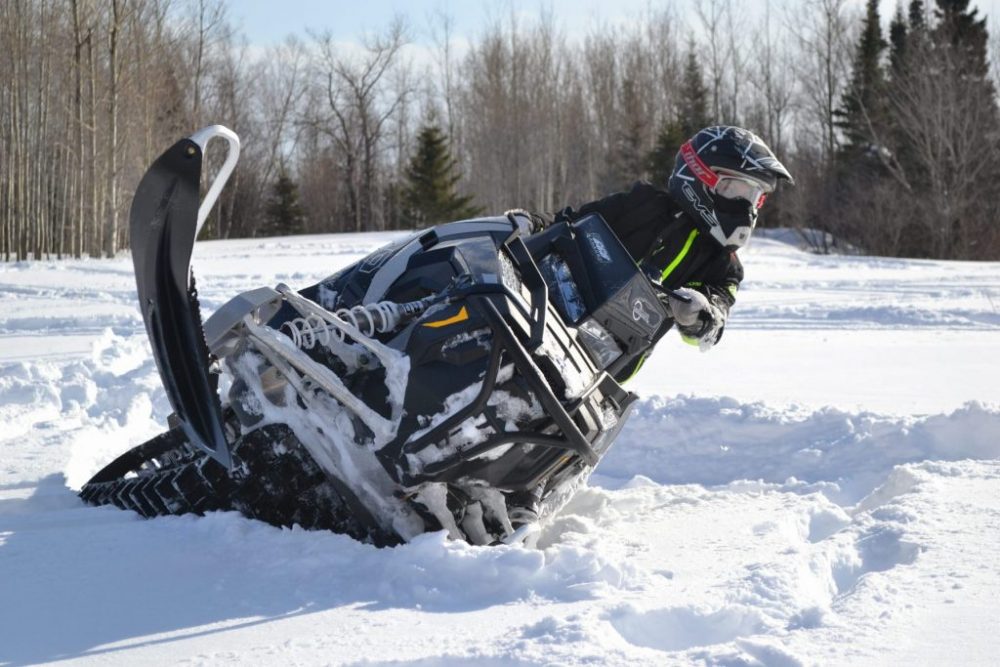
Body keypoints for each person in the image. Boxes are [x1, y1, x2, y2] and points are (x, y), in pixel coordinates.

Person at [512, 125, 794, 380]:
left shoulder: (723, 266)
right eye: (738, 191)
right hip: (547, 316)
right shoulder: (643, 204)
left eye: (756, 197)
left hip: (599, 368)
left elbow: (715, 317)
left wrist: (699, 316)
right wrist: (533, 222)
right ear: (699, 175)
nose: (747, 207)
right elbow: (572, 219)